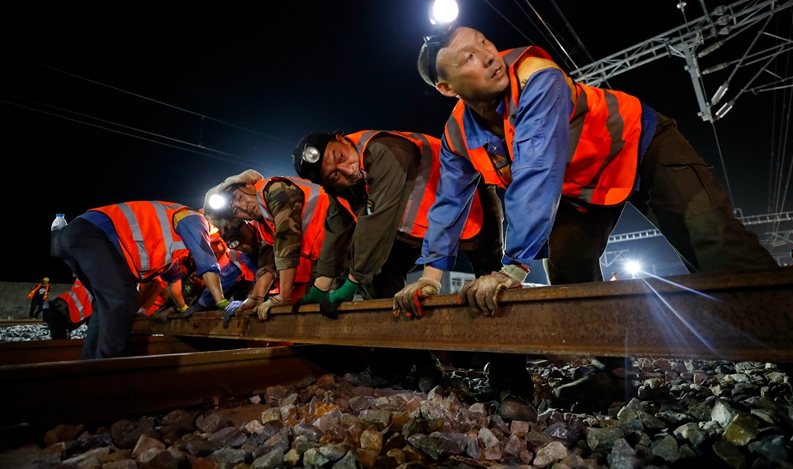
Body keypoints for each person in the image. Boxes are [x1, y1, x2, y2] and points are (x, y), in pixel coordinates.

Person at [399, 25, 778, 409]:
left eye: (484, 42)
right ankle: (612, 373)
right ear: (447, 88)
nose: (488, 56)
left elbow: (537, 169)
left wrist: (511, 268)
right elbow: (449, 202)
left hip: (637, 145)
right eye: (468, 58)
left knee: (713, 239)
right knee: (568, 267)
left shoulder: (537, 77)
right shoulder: (457, 135)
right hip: (579, 186)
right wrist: (429, 277)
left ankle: (790, 339)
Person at [291, 130, 502, 313]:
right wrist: (320, 287)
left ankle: (506, 358)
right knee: (383, 281)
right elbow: (336, 230)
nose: (348, 170)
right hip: (417, 229)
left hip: (471, 204)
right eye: (334, 175)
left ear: (342, 139)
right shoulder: (338, 186)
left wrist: (352, 282)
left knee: (490, 284)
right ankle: (404, 356)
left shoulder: (387, 150)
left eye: (341, 157)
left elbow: (378, 222)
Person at [50, 201, 226, 359]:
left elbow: (174, 282)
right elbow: (207, 263)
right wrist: (222, 303)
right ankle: (108, 368)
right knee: (122, 300)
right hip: (91, 234)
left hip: (71, 237)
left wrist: (183, 309)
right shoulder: (193, 217)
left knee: (104, 304)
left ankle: (88, 366)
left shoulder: (174, 250)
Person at [202, 170, 330, 321]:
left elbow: (287, 241)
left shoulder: (276, 189)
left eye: (240, 197)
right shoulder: (264, 223)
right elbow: (268, 260)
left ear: (249, 185)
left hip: (350, 235)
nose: (244, 207)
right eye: (236, 210)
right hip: (335, 254)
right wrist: (255, 298)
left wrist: (283, 296)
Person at [43, 275, 92, 339]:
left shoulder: (84, 282)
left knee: (59, 342)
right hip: (60, 312)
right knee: (60, 342)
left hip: (55, 307)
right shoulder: (96, 290)